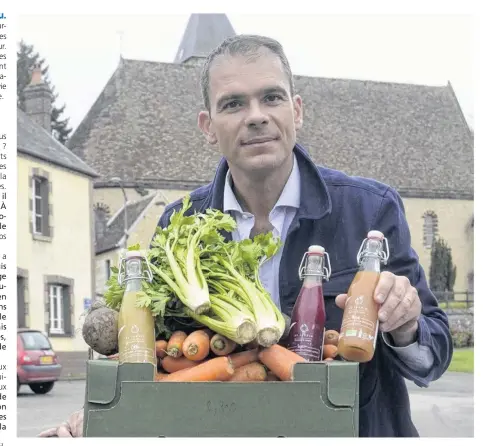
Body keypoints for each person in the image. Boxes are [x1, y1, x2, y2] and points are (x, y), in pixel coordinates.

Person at [38, 34, 452, 438]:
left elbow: (431, 360)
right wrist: (94, 416)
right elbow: (156, 363)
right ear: (208, 127)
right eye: (233, 103)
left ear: (297, 111)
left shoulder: (370, 210)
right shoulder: (179, 226)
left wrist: (406, 327)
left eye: (271, 97)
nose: (256, 115)